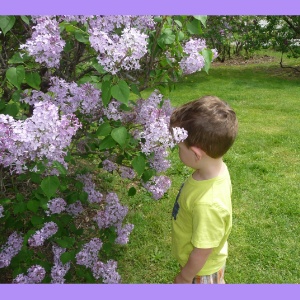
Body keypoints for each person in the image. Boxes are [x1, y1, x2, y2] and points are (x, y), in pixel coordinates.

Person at [170, 95, 238, 284]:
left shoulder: (207, 203)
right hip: (202, 267)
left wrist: (185, 276)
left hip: (201, 273)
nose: (178, 151)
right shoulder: (217, 169)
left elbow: (203, 250)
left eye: (179, 148)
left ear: (196, 154)